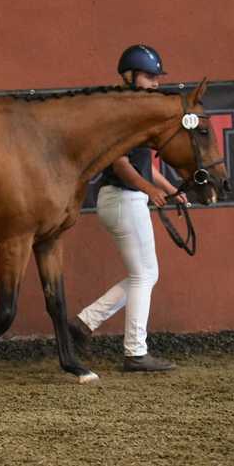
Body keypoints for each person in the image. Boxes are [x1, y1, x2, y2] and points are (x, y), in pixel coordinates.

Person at [68, 45, 186, 372]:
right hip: (123, 198)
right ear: (129, 76)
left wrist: (170, 189)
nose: (155, 83)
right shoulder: (119, 113)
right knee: (145, 275)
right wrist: (149, 190)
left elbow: (145, 164)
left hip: (124, 200)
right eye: (149, 76)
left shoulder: (135, 112)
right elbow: (120, 163)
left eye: (156, 77)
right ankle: (135, 352)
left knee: (144, 275)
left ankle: (83, 323)